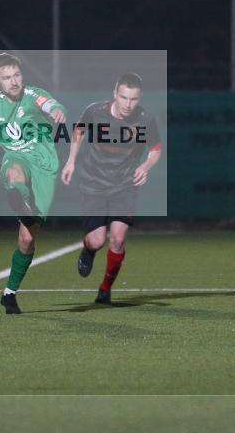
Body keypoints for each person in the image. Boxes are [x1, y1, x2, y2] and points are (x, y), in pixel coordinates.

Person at [0, 53, 67, 314]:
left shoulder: (33, 94)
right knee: (14, 171)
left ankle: (9, 292)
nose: (14, 81)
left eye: (17, 75)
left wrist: (56, 111)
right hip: (16, 157)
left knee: (27, 240)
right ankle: (18, 197)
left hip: (44, 166)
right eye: (7, 78)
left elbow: (51, 104)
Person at [60, 73, 162, 304]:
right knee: (97, 241)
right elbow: (78, 131)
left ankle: (105, 288)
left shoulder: (145, 120)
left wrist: (145, 165)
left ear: (140, 98)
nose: (127, 104)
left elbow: (155, 149)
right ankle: (88, 250)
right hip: (93, 184)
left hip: (124, 186)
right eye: (123, 97)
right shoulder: (95, 112)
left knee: (117, 239)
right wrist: (71, 161)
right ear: (115, 94)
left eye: (133, 99)